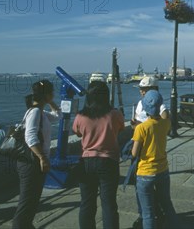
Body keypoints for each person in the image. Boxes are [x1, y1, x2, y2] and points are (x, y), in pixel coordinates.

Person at [72, 81, 125, 229]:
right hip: (108, 161)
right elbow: (121, 128)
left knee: (87, 203)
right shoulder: (114, 114)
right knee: (109, 204)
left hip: (86, 162)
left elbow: (76, 132)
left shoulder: (81, 116)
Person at [13, 80, 61, 229]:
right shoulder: (34, 112)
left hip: (33, 162)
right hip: (31, 162)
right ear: (46, 94)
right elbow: (30, 137)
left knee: (32, 201)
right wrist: (42, 157)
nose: (53, 95)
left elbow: (58, 115)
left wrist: (50, 102)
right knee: (27, 202)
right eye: (51, 93)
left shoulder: (41, 112)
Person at [132, 90, 174, 229]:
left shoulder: (141, 128)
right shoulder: (166, 123)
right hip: (163, 170)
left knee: (148, 212)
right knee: (167, 204)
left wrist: (135, 130)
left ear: (145, 108)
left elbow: (134, 152)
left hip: (145, 173)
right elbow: (165, 118)